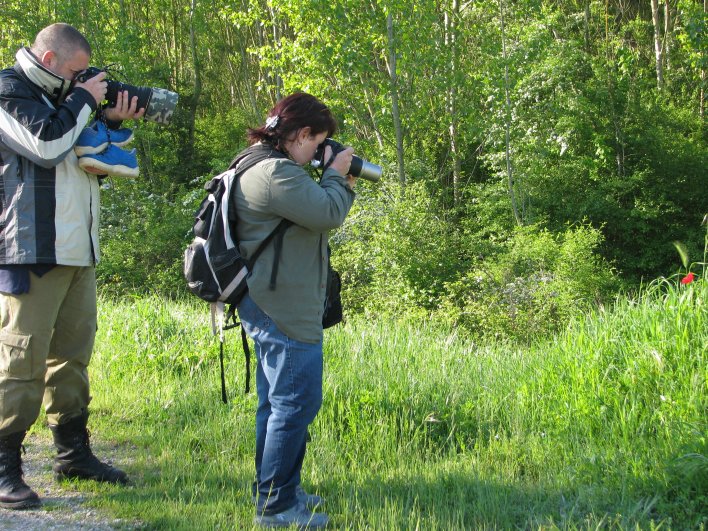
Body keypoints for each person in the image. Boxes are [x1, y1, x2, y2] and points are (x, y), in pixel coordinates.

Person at [0, 23, 145, 509]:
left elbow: (86, 157)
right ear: (47, 60)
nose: (83, 80)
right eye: (75, 72)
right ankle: (4, 468)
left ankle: (72, 454)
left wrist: (113, 122)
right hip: (32, 250)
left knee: (72, 358)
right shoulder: (7, 92)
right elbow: (45, 146)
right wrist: (84, 99)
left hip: (79, 248)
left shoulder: (68, 98)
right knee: (21, 362)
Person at [234, 92, 356, 528]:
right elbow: (327, 213)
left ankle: (278, 490)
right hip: (282, 307)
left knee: (277, 405)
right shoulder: (274, 172)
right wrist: (338, 174)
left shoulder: (256, 161)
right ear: (301, 134)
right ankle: (277, 508)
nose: (317, 152)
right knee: (295, 404)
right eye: (317, 141)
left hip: (271, 300)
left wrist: (330, 176)